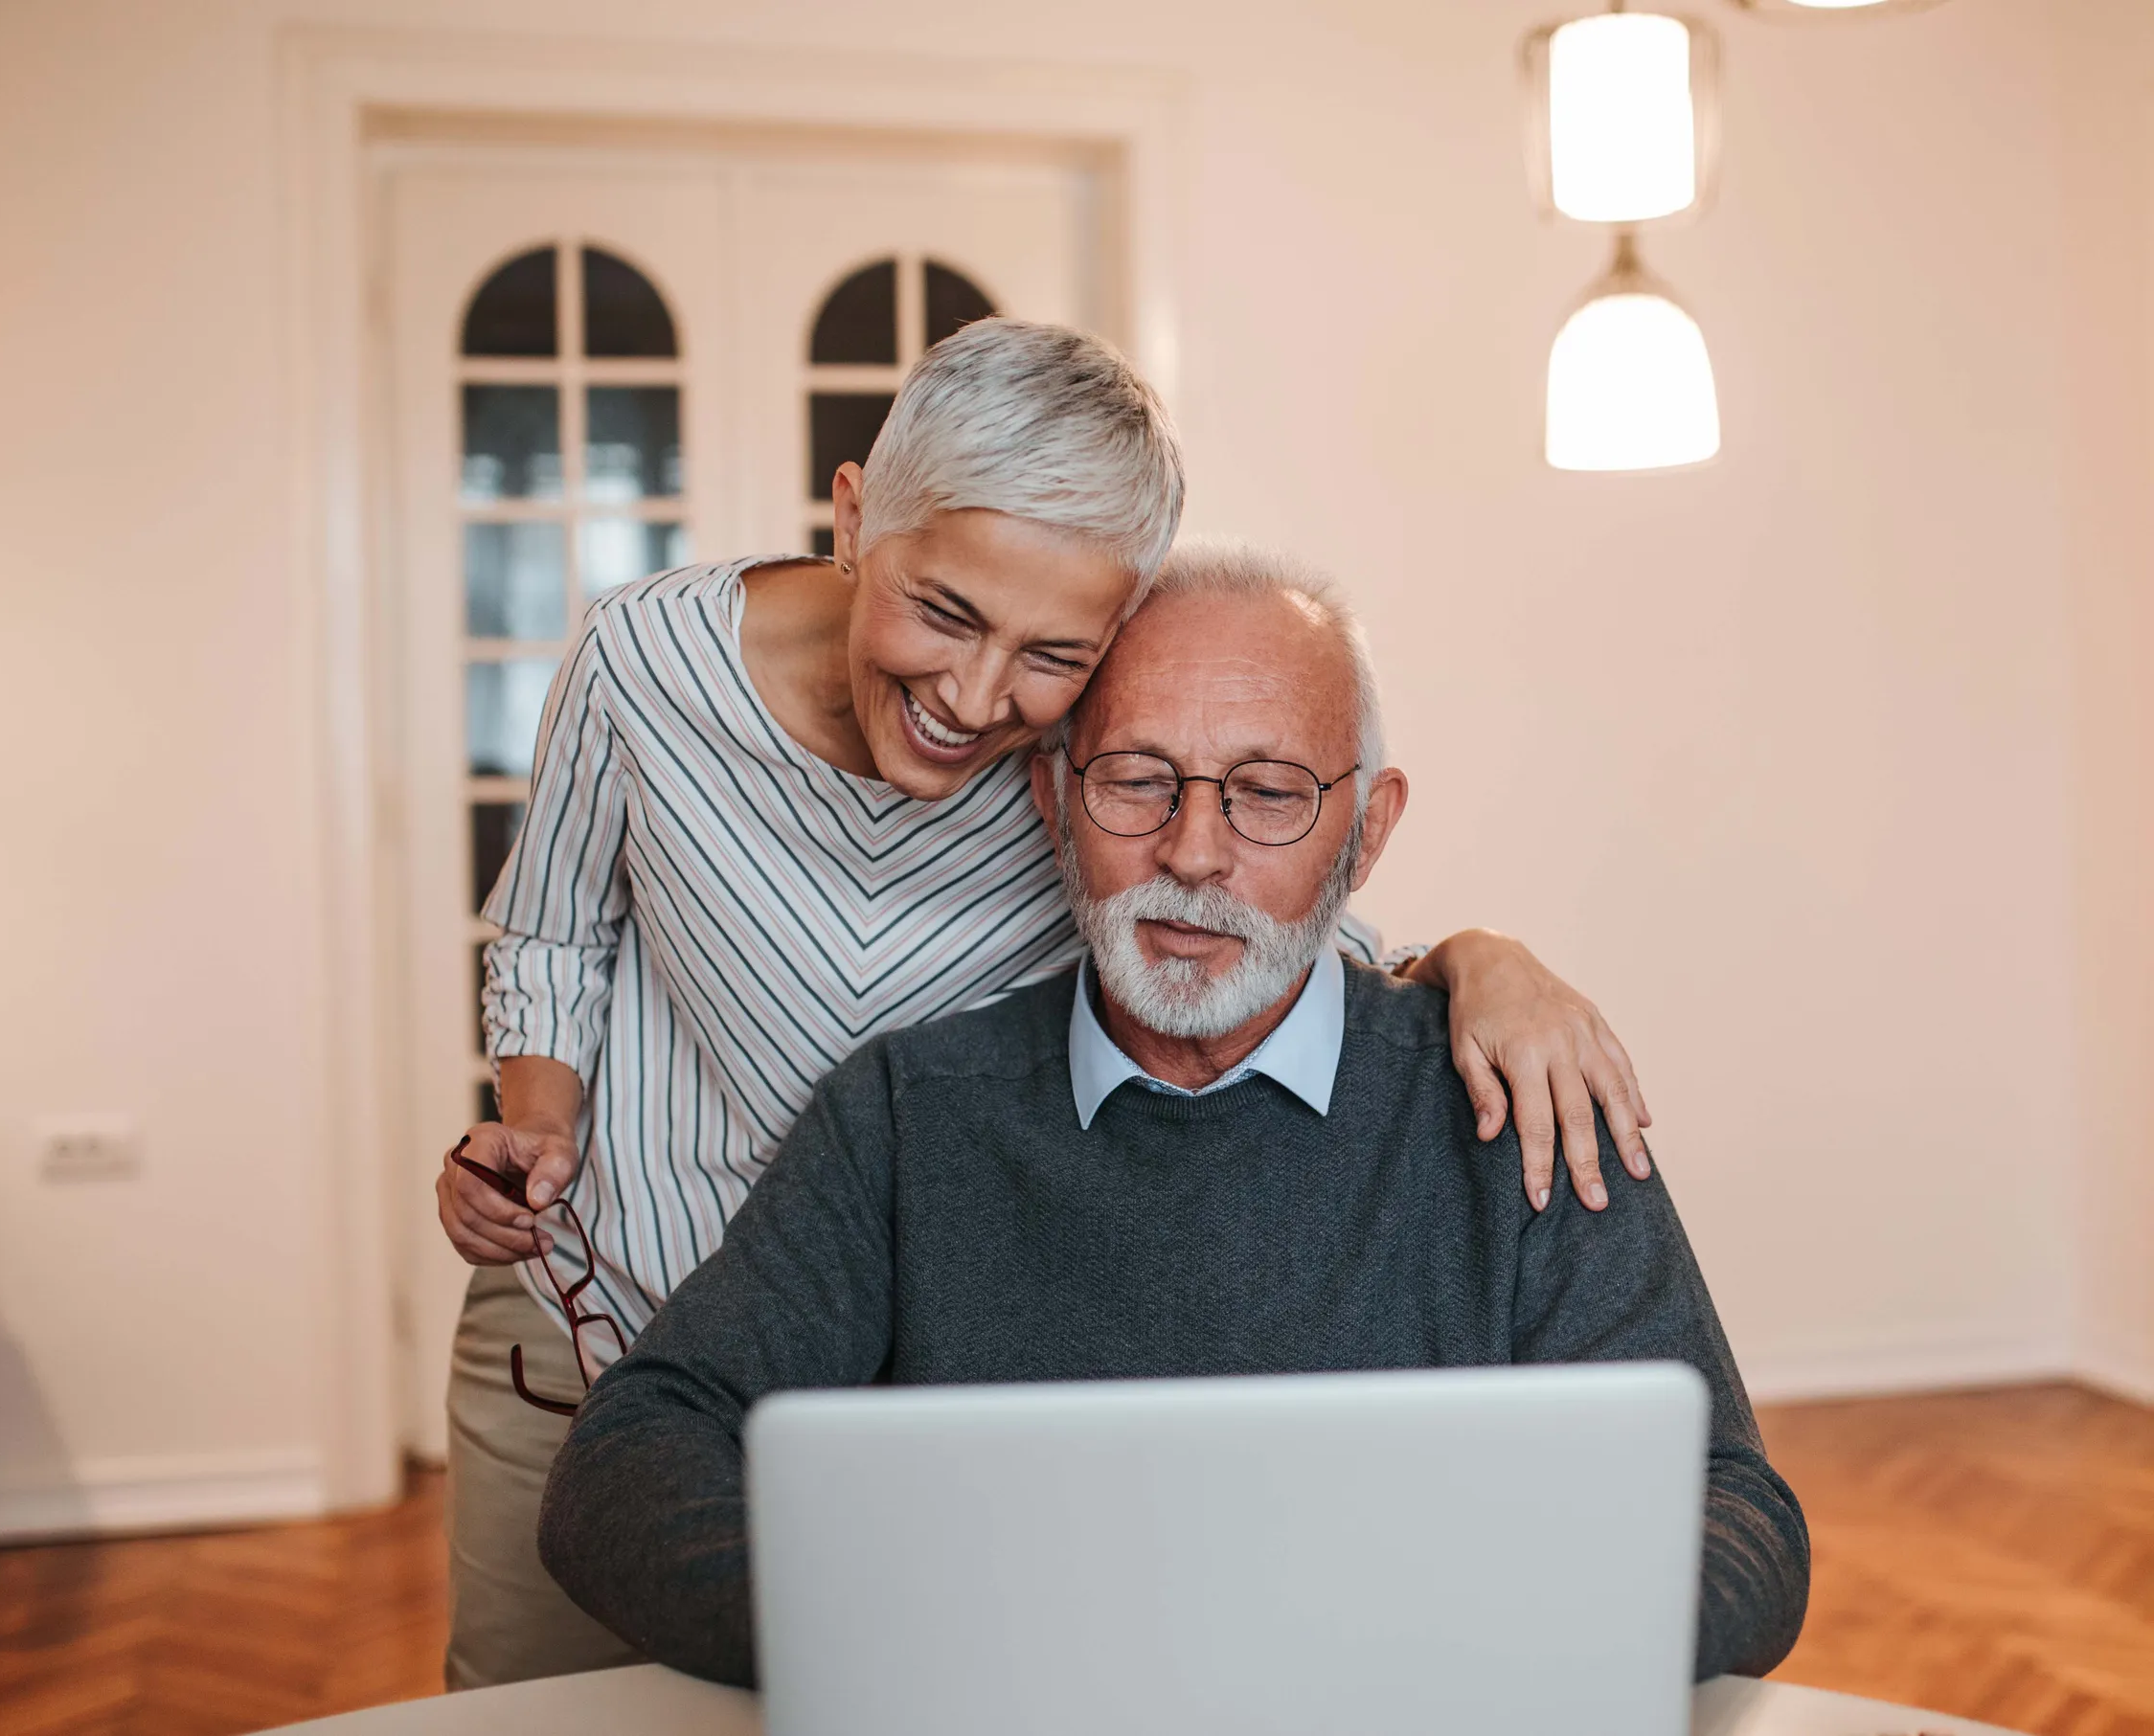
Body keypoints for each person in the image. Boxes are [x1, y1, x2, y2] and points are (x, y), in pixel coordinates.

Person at [439, 319, 1666, 1687]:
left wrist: (1482, 957)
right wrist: (534, 1134)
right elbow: (549, 934)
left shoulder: (1072, 777)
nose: (973, 697)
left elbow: (1276, 919)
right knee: (526, 1696)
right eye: (945, 612)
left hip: (874, 1352)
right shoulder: (644, 662)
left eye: (1053, 655)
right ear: (852, 520)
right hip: (602, 1294)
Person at [533, 544, 1811, 1686]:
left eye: (1267, 795)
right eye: (1138, 781)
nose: (1193, 854)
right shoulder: (908, 1115)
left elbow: (1738, 1522)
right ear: (1053, 802)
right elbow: (626, 1469)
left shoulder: (1518, 1104)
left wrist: (1427, 1659)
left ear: (1364, 835)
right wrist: (940, 1647)